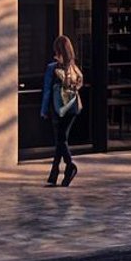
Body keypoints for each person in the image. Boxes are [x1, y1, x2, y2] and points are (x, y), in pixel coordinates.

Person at [41, 33, 84, 187]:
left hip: (58, 109)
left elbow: (47, 91)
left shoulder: (52, 69)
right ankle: (54, 172)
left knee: (60, 139)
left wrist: (44, 110)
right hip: (72, 108)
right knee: (61, 140)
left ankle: (70, 166)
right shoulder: (74, 69)